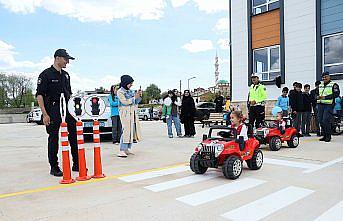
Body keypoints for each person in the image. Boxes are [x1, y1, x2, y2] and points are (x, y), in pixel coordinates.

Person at [36, 49, 78, 177]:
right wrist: (45, 114)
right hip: (53, 109)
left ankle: (76, 163)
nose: (67, 62)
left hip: (67, 109)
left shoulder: (66, 75)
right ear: (57, 58)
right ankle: (54, 167)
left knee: (74, 135)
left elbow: (69, 93)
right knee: (53, 138)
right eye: (66, 59)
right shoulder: (45, 75)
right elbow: (39, 95)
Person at [117, 75, 142, 157]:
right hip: (125, 113)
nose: (131, 85)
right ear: (125, 83)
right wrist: (135, 97)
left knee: (131, 131)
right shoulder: (120, 91)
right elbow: (125, 102)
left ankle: (126, 149)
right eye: (130, 83)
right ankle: (121, 150)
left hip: (132, 113)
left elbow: (136, 101)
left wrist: (139, 96)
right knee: (126, 130)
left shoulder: (131, 91)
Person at [317, 72, 340, 142]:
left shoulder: (334, 85)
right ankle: (324, 135)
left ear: (329, 77)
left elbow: (336, 94)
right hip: (320, 105)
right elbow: (316, 93)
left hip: (329, 105)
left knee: (325, 120)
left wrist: (325, 97)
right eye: (323, 77)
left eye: (326, 77)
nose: (324, 78)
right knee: (320, 121)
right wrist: (316, 97)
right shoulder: (320, 85)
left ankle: (328, 136)